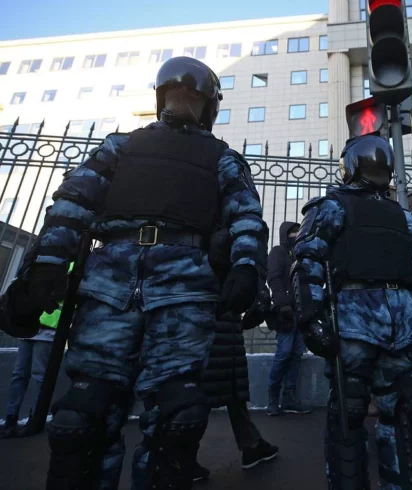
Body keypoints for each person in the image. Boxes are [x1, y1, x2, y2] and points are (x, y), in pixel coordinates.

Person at [6, 56, 270, 490]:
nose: (183, 102)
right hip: (112, 283)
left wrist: (247, 266)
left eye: (191, 96)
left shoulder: (221, 157)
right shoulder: (120, 145)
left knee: (177, 418)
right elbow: (73, 203)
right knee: (81, 418)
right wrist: (48, 266)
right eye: (177, 95)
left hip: (182, 290)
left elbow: (246, 218)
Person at [291, 134, 412, 489]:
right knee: (349, 412)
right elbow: (306, 262)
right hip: (354, 322)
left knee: (405, 407)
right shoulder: (332, 206)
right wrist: (311, 317)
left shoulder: (399, 215)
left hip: (398, 324)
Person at [193, 229, 279, 482]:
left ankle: (252, 445)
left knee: (224, 387)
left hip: (212, 309)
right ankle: (182, 452)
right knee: (207, 387)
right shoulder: (234, 225)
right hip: (217, 309)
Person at [266, 221, 311, 416]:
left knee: (297, 352)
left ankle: (289, 397)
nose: (295, 235)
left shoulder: (302, 255)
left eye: (297, 232)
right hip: (286, 311)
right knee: (284, 352)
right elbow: (274, 278)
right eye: (292, 232)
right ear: (285, 234)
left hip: (302, 311)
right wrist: (282, 304)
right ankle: (273, 396)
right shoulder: (278, 252)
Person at [0, 304, 59, 438]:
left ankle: (36, 420)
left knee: (39, 376)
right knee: (19, 374)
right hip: (28, 329)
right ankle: (11, 419)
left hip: (47, 330)